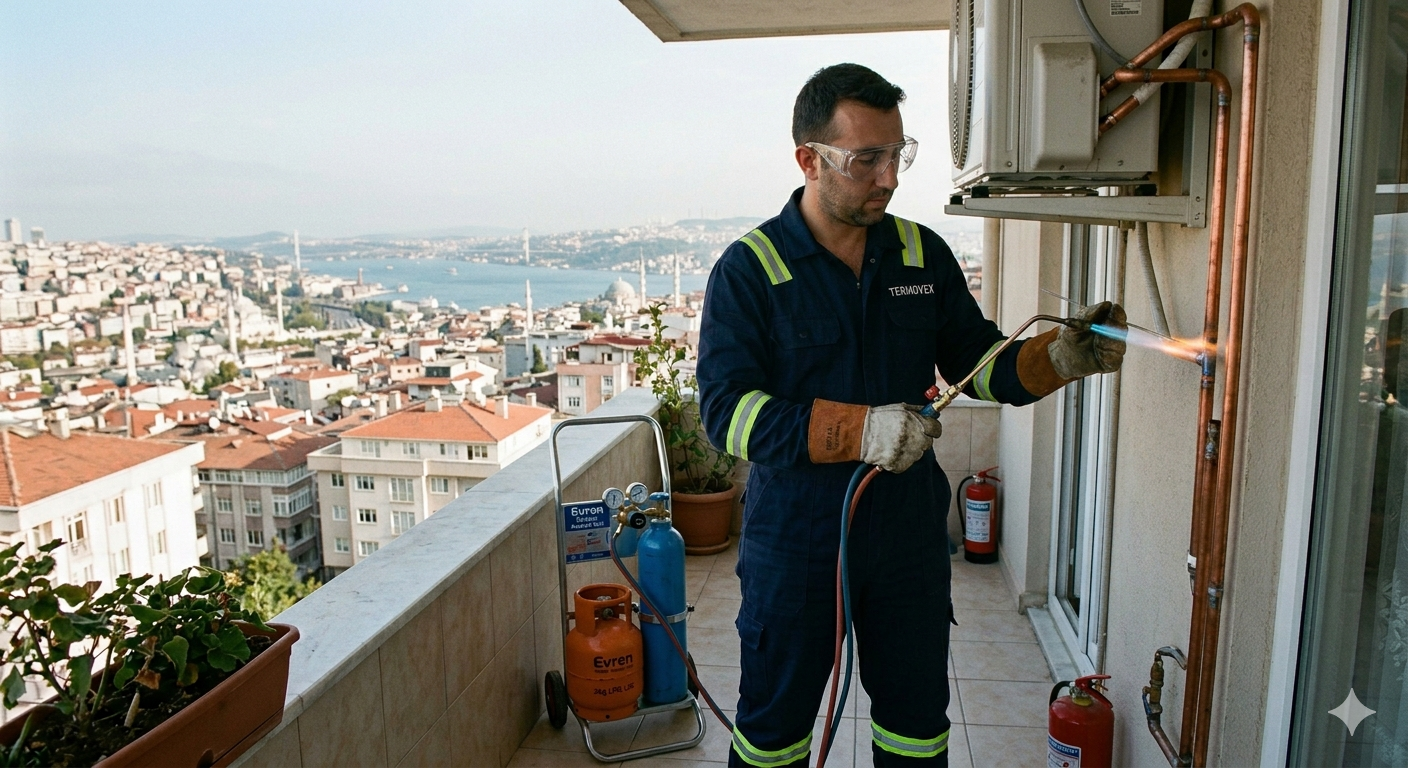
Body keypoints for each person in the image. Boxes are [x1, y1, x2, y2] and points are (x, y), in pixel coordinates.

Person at [696, 63, 1127, 766]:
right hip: (797, 542)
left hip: (907, 538)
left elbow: (978, 364)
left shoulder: (921, 255)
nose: (889, 177)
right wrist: (860, 431)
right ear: (809, 159)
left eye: (897, 154)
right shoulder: (752, 270)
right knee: (774, 734)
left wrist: (1056, 359)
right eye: (866, 159)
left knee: (916, 729)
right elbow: (728, 414)